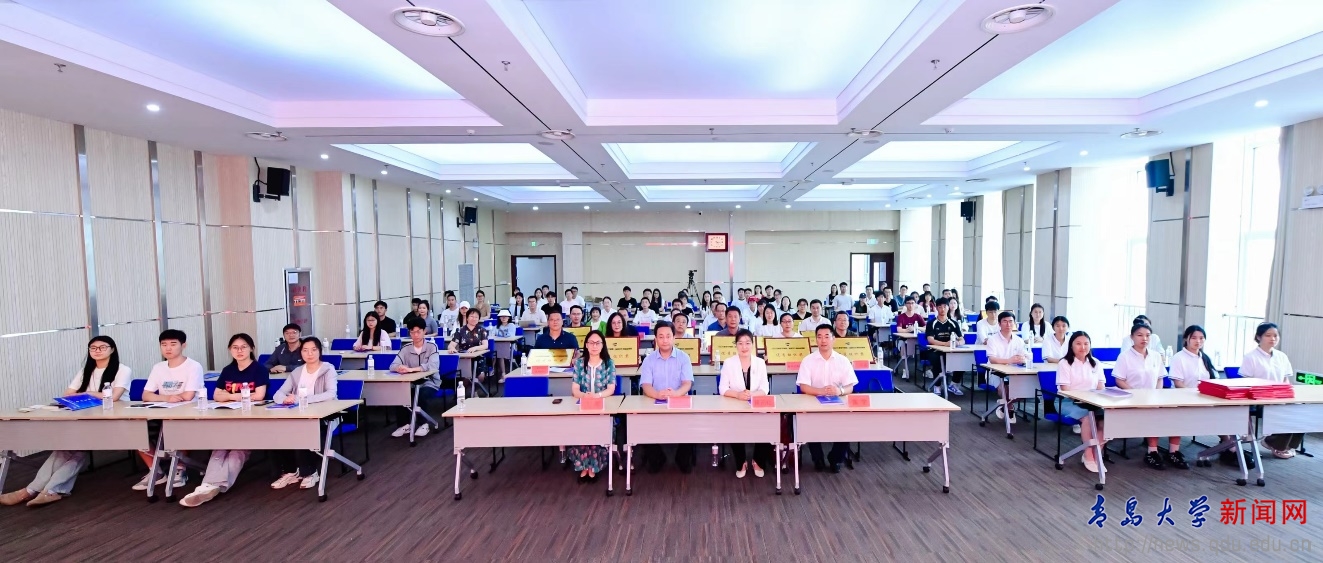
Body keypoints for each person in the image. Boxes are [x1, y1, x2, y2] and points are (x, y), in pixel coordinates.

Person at [0, 336, 131, 507]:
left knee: (75, 449)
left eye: (102, 347)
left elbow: (114, 396)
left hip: (115, 420)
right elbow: (67, 394)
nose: (97, 351)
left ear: (112, 349)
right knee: (68, 448)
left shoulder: (122, 369)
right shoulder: (86, 370)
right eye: (93, 348)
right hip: (86, 418)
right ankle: (45, 490)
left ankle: (34, 490)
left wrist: (87, 394)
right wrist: (84, 396)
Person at [179, 333, 270, 507]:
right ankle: (211, 487)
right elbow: (216, 395)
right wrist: (240, 396)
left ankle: (207, 486)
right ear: (230, 350)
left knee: (237, 450)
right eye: (235, 347)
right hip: (228, 417)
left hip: (251, 419)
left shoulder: (259, 369)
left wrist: (228, 395)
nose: (239, 351)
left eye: (243, 347)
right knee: (220, 448)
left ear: (251, 348)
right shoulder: (228, 370)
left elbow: (259, 395)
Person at [134, 329, 205, 491]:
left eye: (173, 344)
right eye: (164, 344)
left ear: (183, 345)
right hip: (162, 410)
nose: (168, 348)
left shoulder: (193, 366)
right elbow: (146, 395)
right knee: (134, 425)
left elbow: (188, 396)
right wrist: (166, 398)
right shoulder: (158, 367)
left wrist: (160, 397)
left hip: (189, 412)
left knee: (175, 422)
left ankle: (179, 467)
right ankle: (155, 470)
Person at [269, 338, 339, 491]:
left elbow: (331, 394)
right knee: (276, 431)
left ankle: (310, 472)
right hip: (297, 414)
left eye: (313, 350)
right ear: (301, 353)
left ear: (320, 351)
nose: (309, 354)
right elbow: (278, 394)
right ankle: (291, 472)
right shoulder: (297, 371)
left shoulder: (328, 369)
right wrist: (285, 399)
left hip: (324, 415)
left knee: (300, 430)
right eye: (305, 350)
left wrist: (303, 399)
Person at [1113, 323, 1184, 470]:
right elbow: (1119, 380)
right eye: (1140, 335)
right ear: (1132, 337)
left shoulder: (1156, 356)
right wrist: (1136, 394)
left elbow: (1160, 378)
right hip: (1132, 399)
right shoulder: (1124, 356)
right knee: (1153, 415)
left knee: (1176, 413)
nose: (1144, 339)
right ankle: (1152, 452)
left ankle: (1173, 452)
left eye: (1147, 335)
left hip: (1153, 398)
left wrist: (1156, 394)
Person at [797, 326, 858, 472]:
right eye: (819, 337)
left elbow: (850, 387)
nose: (823, 340)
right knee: (809, 422)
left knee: (848, 425)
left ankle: (836, 458)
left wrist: (839, 391)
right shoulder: (808, 360)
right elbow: (803, 386)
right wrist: (820, 391)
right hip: (813, 402)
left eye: (826, 336)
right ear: (816, 340)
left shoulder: (843, 360)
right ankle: (817, 458)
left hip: (838, 403)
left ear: (833, 339)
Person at [638, 321, 696, 473]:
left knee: (691, 423)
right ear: (655, 339)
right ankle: (657, 458)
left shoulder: (683, 357)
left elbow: (687, 383)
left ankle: (682, 458)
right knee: (642, 424)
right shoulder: (649, 359)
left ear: (674, 337)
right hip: (654, 402)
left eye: (668, 336)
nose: (665, 340)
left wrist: (676, 394)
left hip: (679, 401)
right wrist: (657, 394)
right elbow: (646, 385)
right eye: (661, 336)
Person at [1242, 323, 1301, 459]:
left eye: (1275, 335)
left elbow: (1285, 380)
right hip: (1260, 399)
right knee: (1287, 412)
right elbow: (1246, 382)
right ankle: (1276, 444)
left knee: (1301, 410)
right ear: (1259, 337)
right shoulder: (1251, 357)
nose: (1273, 339)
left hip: (1280, 396)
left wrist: (1289, 396)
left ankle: (1288, 445)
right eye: (1268, 335)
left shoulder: (1282, 356)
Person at [719, 329, 770, 479]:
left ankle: (758, 461)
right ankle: (741, 462)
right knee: (734, 426)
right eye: (740, 343)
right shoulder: (729, 363)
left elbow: (765, 388)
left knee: (768, 424)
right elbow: (722, 388)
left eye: (747, 343)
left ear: (752, 344)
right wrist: (738, 395)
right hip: (735, 404)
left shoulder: (760, 363)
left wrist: (752, 395)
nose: (744, 347)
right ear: (736, 345)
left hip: (757, 404)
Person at [568, 331, 616, 483]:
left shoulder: (609, 363)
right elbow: (575, 389)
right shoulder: (579, 363)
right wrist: (585, 396)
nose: (594, 346)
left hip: (603, 407)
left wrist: (597, 396)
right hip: (583, 406)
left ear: (603, 345)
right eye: (591, 343)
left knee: (597, 427)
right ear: (586, 345)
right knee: (581, 427)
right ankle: (583, 466)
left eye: (598, 343)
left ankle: (594, 467)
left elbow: (611, 388)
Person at [1056, 332, 1107, 472]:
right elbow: (1065, 390)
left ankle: (1095, 453)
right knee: (1088, 418)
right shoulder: (1064, 363)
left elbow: (1101, 387)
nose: (1083, 347)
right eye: (1078, 344)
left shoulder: (1096, 363)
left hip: (1093, 402)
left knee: (1107, 421)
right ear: (1071, 346)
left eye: (1086, 344)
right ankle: (1089, 456)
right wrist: (1085, 400)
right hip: (1068, 401)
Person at [389, 318, 442, 438]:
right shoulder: (406, 348)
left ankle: (424, 424)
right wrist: (399, 367)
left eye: (418, 332)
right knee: (401, 394)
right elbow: (393, 365)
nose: (416, 335)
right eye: (412, 332)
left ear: (424, 331)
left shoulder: (432, 347)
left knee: (421, 395)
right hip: (411, 383)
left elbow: (433, 366)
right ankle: (404, 425)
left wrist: (412, 369)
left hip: (430, 382)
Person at [984, 312, 1029, 425]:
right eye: (1005, 321)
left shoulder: (1019, 340)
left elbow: (1024, 356)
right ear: (999, 324)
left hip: (1014, 373)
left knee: (1027, 390)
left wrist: (1023, 359)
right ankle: (1010, 407)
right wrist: (1009, 360)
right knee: (1004, 390)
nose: (1008, 324)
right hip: (995, 372)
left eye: (1010, 321)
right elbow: (992, 359)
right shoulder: (992, 340)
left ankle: (1005, 406)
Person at [924, 298, 963, 396]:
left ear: (948, 308)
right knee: (937, 359)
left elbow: (962, 339)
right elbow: (930, 340)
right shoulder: (931, 323)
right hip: (935, 350)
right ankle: (937, 385)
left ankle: (953, 384)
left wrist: (958, 343)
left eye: (945, 307)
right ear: (936, 308)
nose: (942, 309)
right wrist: (945, 344)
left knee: (962, 360)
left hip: (951, 350)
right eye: (940, 307)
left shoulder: (953, 323)